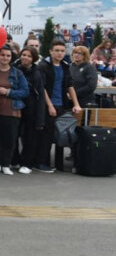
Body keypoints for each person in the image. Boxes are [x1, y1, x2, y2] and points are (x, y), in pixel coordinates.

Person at [37, 40, 82, 173]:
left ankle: (58, 164)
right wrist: (50, 105)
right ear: (51, 51)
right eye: (57, 50)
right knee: (46, 135)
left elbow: (70, 85)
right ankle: (41, 163)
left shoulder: (65, 66)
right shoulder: (43, 66)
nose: (60, 53)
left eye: (62, 51)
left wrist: (76, 104)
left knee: (60, 133)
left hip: (62, 104)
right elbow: (42, 88)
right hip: (47, 105)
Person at [0, 46, 28, 175]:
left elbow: (25, 91)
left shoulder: (17, 73)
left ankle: (6, 164)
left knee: (10, 139)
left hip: (12, 110)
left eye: (8, 56)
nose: (5, 58)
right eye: (3, 55)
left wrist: (8, 92)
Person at [16, 47, 46, 174]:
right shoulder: (14, 69)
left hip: (31, 109)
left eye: (29, 56)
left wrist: (40, 118)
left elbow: (41, 95)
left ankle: (27, 163)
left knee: (29, 138)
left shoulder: (37, 73)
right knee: (13, 136)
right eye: (24, 55)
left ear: (33, 59)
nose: (25, 58)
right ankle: (15, 160)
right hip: (16, 107)